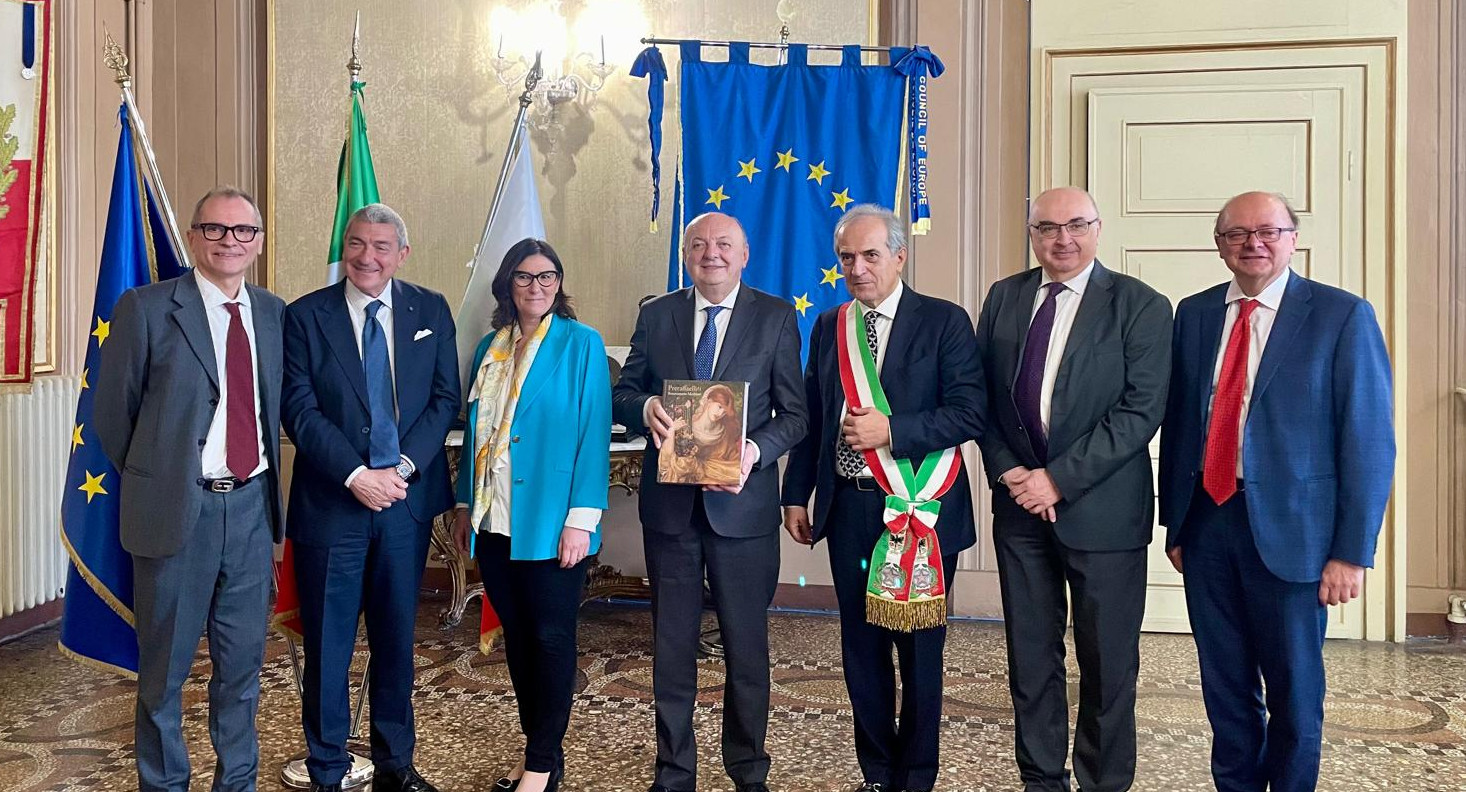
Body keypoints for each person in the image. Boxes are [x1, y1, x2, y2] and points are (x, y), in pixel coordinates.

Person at [1158, 191, 1394, 792]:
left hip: (1296, 535)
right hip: (1208, 522)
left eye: (1268, 231)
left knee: (1294, 692)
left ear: (1293, 239)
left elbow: (1368, 441)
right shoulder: (1195, 313)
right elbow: (1181, 422)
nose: (1253, 244)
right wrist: (1176, 523)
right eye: (1237, 234)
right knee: (1225, 687)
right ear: (1220, 245)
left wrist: (1351, 552)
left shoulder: (1342, 315)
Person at [973, 186, 1172, 792]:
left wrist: (1057, 480)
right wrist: (1009, 471)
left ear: (1097, 228)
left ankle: (1103, 782)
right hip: (1020, 510)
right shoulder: (1004, 296)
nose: (1063, 239)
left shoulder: (1141, 304)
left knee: (1108, 663)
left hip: (1104, 512)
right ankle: (1040, 778)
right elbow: (981, 397)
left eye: (1076, 225)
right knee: (1031, 658)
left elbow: (1140, 411)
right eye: (1048, 228)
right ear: (1031, 233)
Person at [782, 204, 986, 792]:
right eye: (847, 257)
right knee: (861, 649)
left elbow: (970, 413)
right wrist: (796, 494)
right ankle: (875, 772)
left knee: (919, 650)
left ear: (899, 256)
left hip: (921, 507)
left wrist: (892, 431)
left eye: (870, 255)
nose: (857, 268)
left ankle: (915, 776)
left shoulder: (944, 321)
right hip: (850, 507)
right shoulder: (830, 325)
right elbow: (815, 418)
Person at [95, 186, 285, 792]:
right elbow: (113, 418)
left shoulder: (273, 313)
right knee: (164, 676)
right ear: (194, 236)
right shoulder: (147, 308)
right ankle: (164, 784)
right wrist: (164, 478)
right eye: (215, 229)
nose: (230, 241)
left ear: (258, 242)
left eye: (243, 231)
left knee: (242, 671)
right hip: (177, 512)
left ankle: (238, 783)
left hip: (251, 511)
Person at [611, 211, 808, 792]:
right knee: (671, 649)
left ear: (744, 254)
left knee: (746, 650)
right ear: (686, 255)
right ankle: (674, 773)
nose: (711, 254)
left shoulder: (776, 317)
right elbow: (624, 393)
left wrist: (753, 451)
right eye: (698, 244)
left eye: (724, 244)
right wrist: (644, 408)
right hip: (671, 512)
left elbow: (796, 415)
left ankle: (748, 771)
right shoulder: (657, 314)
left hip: (743, 512)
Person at [281, 203, 460, 792]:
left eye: (382, 246)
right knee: (328, 646)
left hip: (405, 504)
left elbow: (445, 400)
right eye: (357, 243)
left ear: (401, 254)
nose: (367, 256)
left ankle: (395, 765)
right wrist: (357, 474)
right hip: (332, 505)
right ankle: (327, 769)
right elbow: (299, 409)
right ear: (344, 248)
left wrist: (400, 468)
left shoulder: (430, 310)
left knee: (396, 641)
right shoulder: (305, 316)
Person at [451, 238, 611, 792]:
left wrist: (581, 519)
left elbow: (593, 433)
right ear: (507, 284)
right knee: (518, 640)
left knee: (550, 638)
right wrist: (464, 503)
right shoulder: (489, 348)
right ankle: (539, 751)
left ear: (559, 284)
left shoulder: (582, 344)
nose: (536, 286)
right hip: (495, 520)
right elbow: (475, 433)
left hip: (552, 520)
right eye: (524, 276)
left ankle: (541, 764)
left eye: (547, 276)